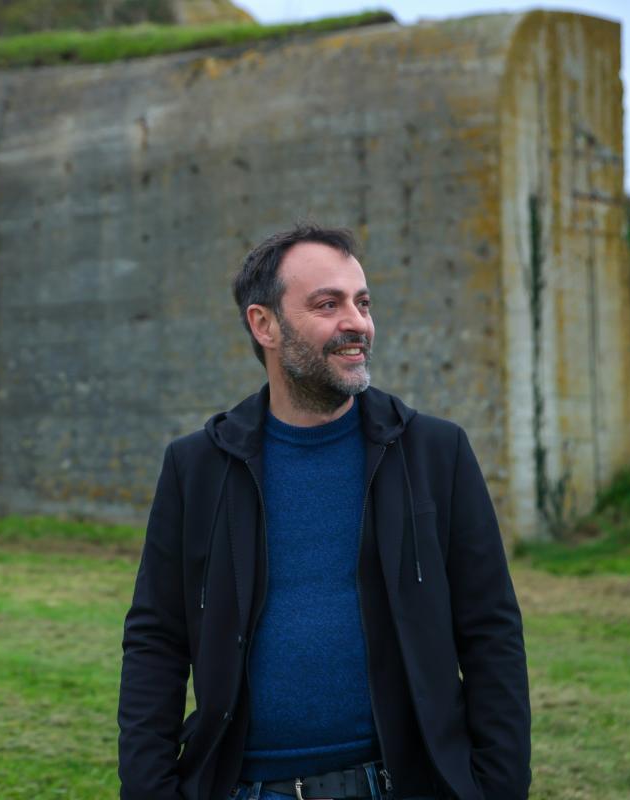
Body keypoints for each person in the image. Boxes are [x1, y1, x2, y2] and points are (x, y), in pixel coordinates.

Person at [117, 224, 530, 800]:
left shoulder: (436, 453)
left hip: (399, 784)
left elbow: (491, 632)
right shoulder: (199, 466)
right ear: (264, 324)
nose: (357, 322)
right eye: (327, 304)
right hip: (242, 788)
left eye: (362, 303)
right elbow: (156, 640)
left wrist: (498, 787)